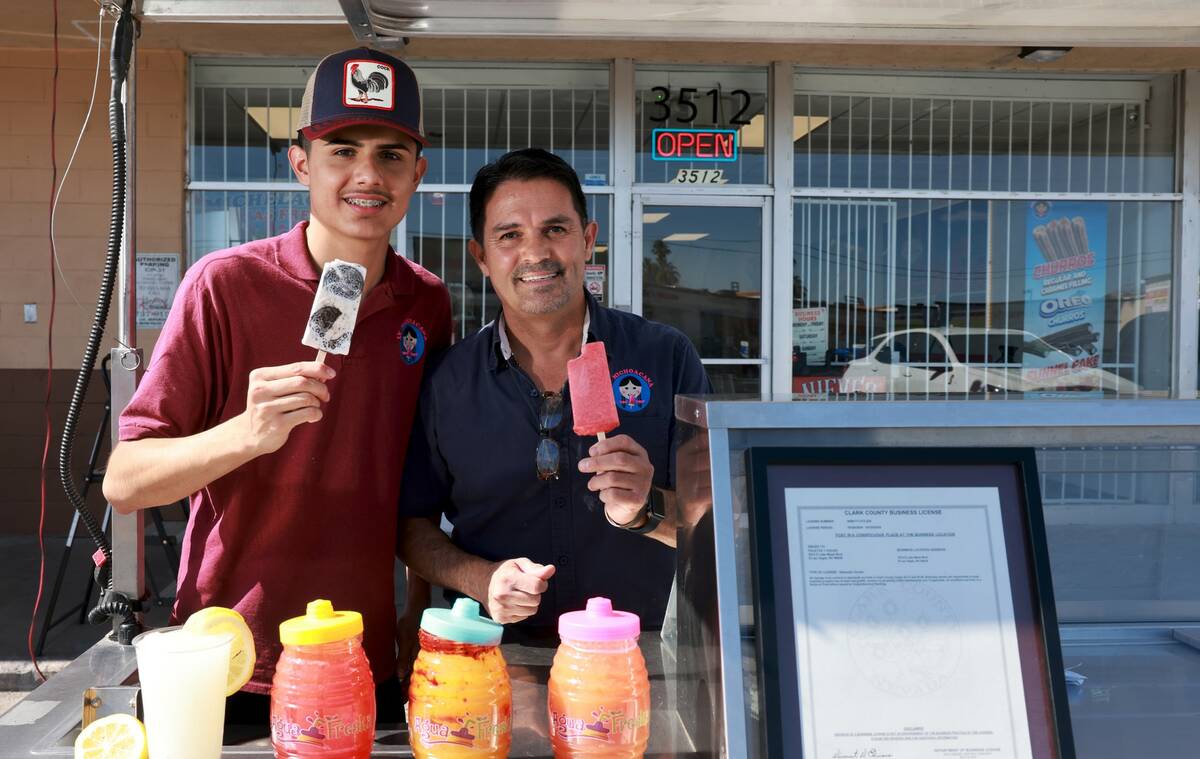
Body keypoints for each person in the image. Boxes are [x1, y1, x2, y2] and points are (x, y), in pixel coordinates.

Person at [102, 47, 451, 720]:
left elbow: (418, 484)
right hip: (231, 657)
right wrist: (246, 433)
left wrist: (417, 617)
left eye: (390, 155)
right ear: (301, 164)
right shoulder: (224, 284)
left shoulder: (427, 303)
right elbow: (125, 479)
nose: (367, 175)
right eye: (342, 150)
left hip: (363, 655)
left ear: (417, 174)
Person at [397, 148, 711, 649]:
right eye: (509, 235)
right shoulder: (447, 382)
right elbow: (413, 526)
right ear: (481, 256)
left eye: (555, 229)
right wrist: (481, 579)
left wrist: (645, 509)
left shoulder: (665, 357)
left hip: (638, 654)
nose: (536, 253)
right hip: (494, 659)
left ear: (588, 240)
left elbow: (713, 528)